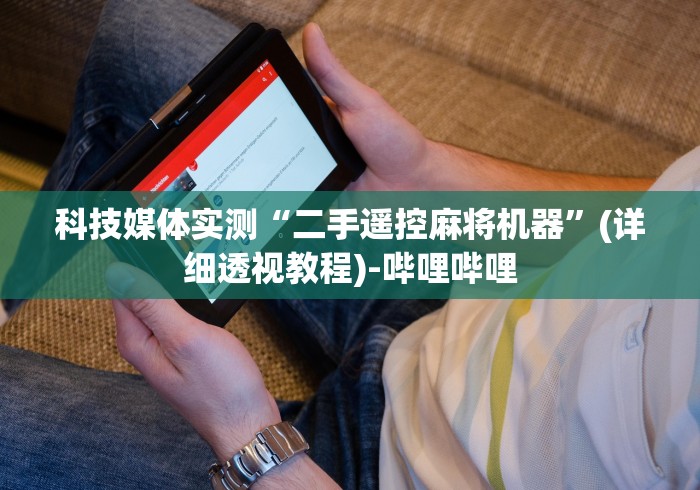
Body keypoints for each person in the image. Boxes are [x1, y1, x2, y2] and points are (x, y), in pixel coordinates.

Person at [1, 1, 698, 489]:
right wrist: (432, 174)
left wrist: (250, 444)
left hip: (380, 470)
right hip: (457, 303)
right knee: (139, 30)